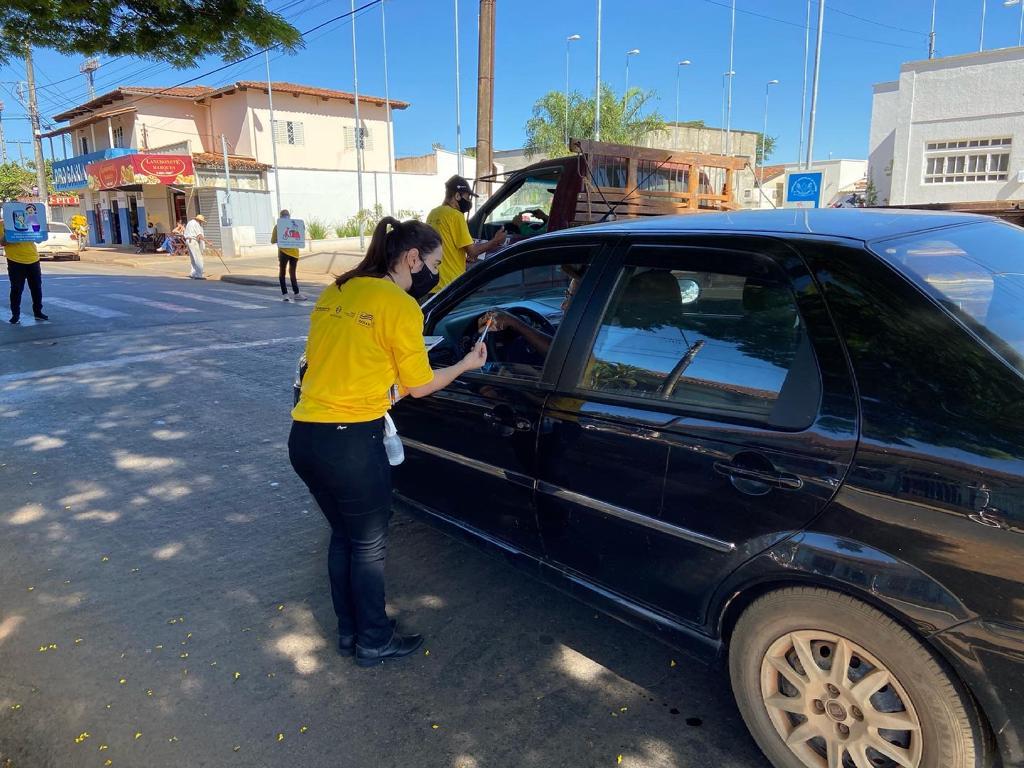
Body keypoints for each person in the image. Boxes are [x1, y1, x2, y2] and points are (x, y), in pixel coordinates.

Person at [288, 217, 484, 667]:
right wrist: (466, 365)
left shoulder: (339, 288)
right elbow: (420, 387)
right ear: (413, 258)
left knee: (345, 536)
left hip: (305, 436)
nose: (435, 273)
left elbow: (336, 361)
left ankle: (350, 632)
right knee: (369, 546)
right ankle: (374, 640)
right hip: (351, 443)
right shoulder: (400, 306)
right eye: (434, 263)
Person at [425, 175, 505, 295]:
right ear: (457, 196)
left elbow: (446, 246)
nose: (468, 202)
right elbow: (472, 252)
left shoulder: (433, 214)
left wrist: (462, 258)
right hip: (450, 285)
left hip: (433, 284)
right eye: (467, 197)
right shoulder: (455, 215)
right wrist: (495, 241)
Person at [2, 217, 47, 325]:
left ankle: (38, 312)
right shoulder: (3, 224)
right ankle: (15, 315)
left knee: (36, 288)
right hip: (15, 260)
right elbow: (2, 242)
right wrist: (9, 233)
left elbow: (39, 239)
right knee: (16, 289)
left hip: (33, 259)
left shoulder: (30, 221)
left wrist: (37, 230)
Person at [271, 209, 305, 302]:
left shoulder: (278, 226)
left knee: (283, 273)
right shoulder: (292, 225)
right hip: (292, 252)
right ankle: (295, 293)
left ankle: (286, 294)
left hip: (285, 252)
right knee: (291, 273)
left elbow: (273, 240)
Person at [183, 214, 206, 279]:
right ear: (199, 220)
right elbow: (199, 235)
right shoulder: (196, 224)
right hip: (193, 241)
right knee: (198, 258)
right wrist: (207, 242)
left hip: (188, 240)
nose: (201, 222)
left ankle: (193, 273)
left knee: (193, 258)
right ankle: (199, 274)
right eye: (201, 221)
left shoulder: (189, 223)